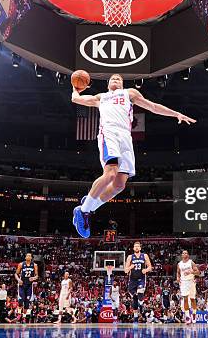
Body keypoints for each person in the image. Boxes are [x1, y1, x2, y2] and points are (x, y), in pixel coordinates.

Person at [71, 73, 196, 237]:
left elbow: (153, 106)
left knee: (119, 185)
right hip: (109, 133)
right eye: (113, 78)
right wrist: (76, 88)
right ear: (108, 84)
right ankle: (84, 211)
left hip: (126, 138)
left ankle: (87, 206)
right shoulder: (101, 97)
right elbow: (75, 99)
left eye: (119, 79)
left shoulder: (129, 93)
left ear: (122, 84)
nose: (116, 79)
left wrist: (176, 114)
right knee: (110, 174)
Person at [125, 241, 153, 322]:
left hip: (141, 278)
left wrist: (146, 269)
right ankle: (136, 315)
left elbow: (150, 267)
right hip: (132, 279)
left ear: (140, 248)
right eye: (135, 246)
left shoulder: (144, 256)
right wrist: (130, 267)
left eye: (138, 246)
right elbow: (125, 270)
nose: (136, 247)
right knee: (134, 298)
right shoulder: (130, 257)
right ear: (133, 248)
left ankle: (141, 306)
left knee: (140, 292)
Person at [176, 250, 200, 324]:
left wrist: (191, 272)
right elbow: (178, 272)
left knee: (192, 299)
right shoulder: (179, 264)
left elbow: (198, 272)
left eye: (186, 253)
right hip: (183, 282)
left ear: (188, 255)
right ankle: (187, 316)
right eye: (183, 253)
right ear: (181, 255)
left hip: (191, 281)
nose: (184, 254)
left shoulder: (191, 262)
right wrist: (177, 277)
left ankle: (194, 314)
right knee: (185, 298)